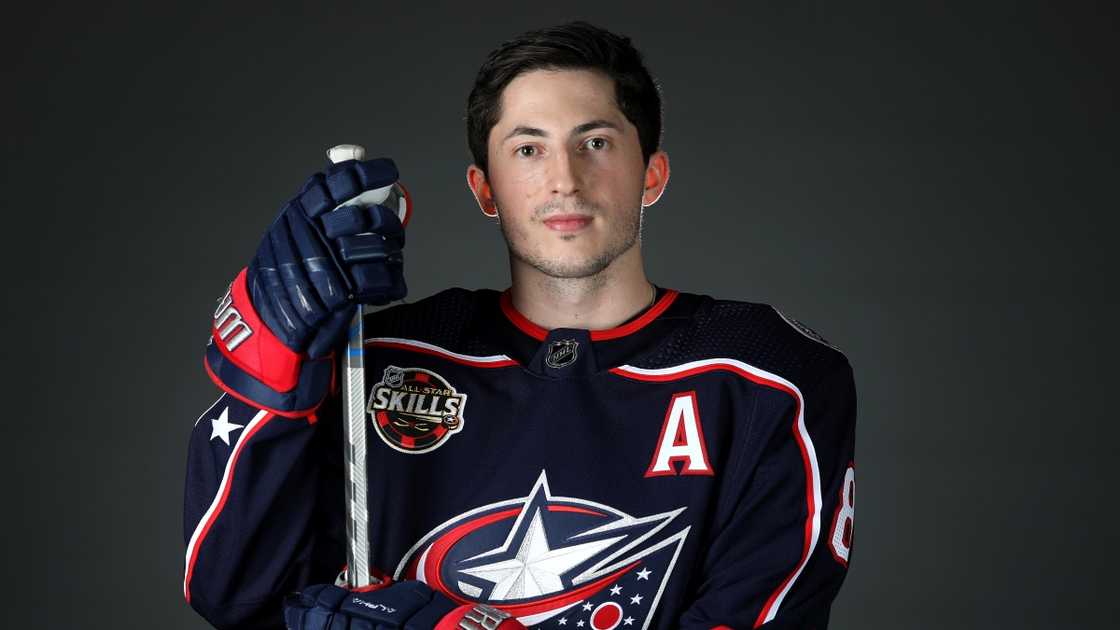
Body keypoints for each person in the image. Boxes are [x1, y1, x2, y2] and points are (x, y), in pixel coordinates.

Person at [184, 21, 857, 630]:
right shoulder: (381, 360)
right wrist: (271, 370)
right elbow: (237, 595)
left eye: (595, 142)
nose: (564, 179)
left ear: (651, 174)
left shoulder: (770, 378)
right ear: (485, 189)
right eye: (527, 150)